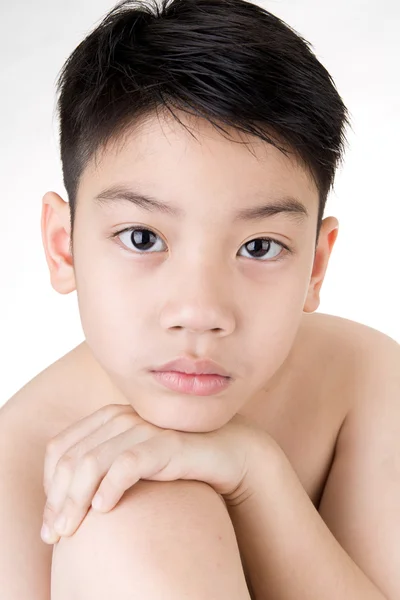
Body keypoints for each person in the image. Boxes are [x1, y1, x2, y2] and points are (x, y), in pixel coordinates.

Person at [1, 0, 399, 598]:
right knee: (132, 510)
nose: (200, 311)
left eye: (260, 246)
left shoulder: (362, 379)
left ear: (316, 264)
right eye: (143, 238)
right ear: (64, 247)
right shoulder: (17, 474)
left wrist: (257, 476)